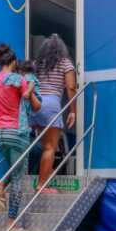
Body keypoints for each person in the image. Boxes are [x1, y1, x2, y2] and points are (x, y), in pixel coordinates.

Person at [0, 44, 41, 231]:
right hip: (17, 133)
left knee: (14, 169)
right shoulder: (18, 79)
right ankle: (11, 223)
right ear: (14, 61)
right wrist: (31, 88)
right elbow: (36, 106)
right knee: (18, 179)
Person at [31, 34, 77, 193]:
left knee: (46, 145)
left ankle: (47, 177)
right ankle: (41, 186)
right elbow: (71, 87)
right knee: (50, 148)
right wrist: (73, 111)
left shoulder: (36, 64)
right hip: (51, 105)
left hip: (35, 105)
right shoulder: (65, 63)